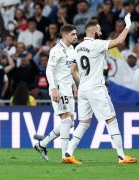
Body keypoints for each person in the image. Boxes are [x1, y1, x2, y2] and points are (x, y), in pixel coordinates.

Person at [62, 14, 137, 164]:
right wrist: (128, 25)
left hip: (83, 89)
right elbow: (120, 41)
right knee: (111, 119)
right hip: (96, 88)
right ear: (93, 31)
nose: (101, 33)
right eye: (100, 30)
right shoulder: (97, 44)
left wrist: (83, 82)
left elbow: (72, 70)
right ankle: (122, 156)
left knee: (83, 123)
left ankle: (68, 154)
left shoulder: (78, 48)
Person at [34, 24, 78, 161]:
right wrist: (53, 89)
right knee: (66, 119)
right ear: (65, 35)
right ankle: (66, 155)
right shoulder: (56, 50)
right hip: (59, 88)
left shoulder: (72, 49)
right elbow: (49, 70)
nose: (76, 37)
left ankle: (42, 144)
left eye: (76, 34)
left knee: (70, 122)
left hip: (68, 87)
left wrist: (73, 84)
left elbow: (68, 70)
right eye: (73, 34)